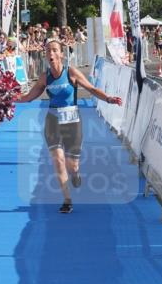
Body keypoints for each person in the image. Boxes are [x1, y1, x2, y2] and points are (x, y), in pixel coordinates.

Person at [16, 39, 122, 214]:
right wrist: (5, 98)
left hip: (72, 122)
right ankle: (67, 200)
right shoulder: (44, 77)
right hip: (52, 121)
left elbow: (91, 89)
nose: (50, 53)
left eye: (54, 50)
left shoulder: (71, 72)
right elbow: (28, 97)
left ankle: (75, 173)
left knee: (72, 165)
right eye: (48, 50)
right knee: (58, 161)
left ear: (61, 54)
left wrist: (108, 99)